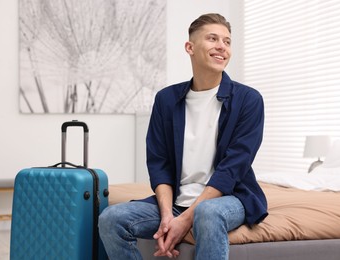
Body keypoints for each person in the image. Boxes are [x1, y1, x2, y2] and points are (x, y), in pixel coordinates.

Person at [99, 13, 268, 260]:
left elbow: (233, 168)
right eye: (213, 39)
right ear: (190, 47)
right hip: (176, 200)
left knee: (208, 213)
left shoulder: (248, 100)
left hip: (229, 197)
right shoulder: (167, 100)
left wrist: (184, 221)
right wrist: (168, 216)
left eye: (227, 41)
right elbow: (159, 163)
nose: (222, 46)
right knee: (111, 219)